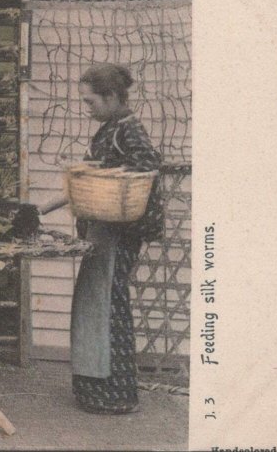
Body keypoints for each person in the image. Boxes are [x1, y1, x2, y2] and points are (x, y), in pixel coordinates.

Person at [37, 63, 162, 414]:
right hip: (100, 230)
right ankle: (94, 391)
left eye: (91, 101)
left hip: (117, 234)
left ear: (111, 97)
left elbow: (147, 169)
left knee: (108, 308)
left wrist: (116, 174)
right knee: (94, 306)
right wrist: (41, 210)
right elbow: (85, 178)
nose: (87, 107)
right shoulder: (108, 130)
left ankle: (116, 396)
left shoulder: (129, 131)